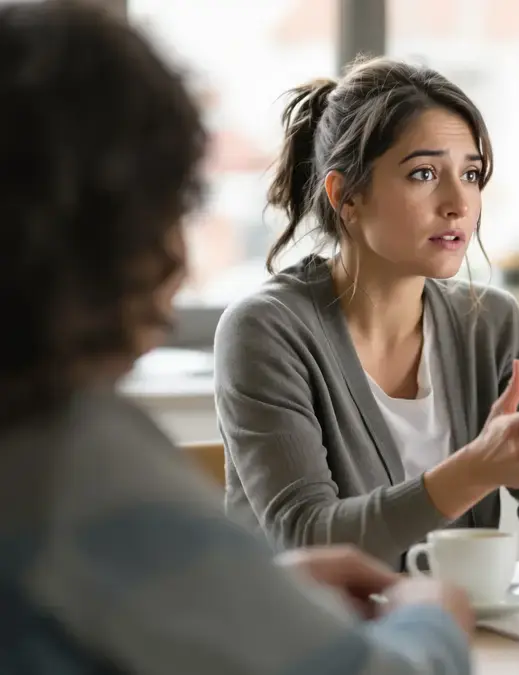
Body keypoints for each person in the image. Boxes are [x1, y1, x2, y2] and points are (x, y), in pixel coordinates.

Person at [0, 3, 474, 673]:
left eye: (472, 173)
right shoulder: (72, 460)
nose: (178, 261)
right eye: (172, 208)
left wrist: (254, 585)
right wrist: (434, 615)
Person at [214, 56, 519, 569]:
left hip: (453, 615)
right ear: (347, 196)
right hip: (306, 620)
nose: (458, 203)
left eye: (471, 174)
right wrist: (474, 470)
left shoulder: (491, 325)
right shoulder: (265, 330)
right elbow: (307, 540)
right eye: (424, 173)